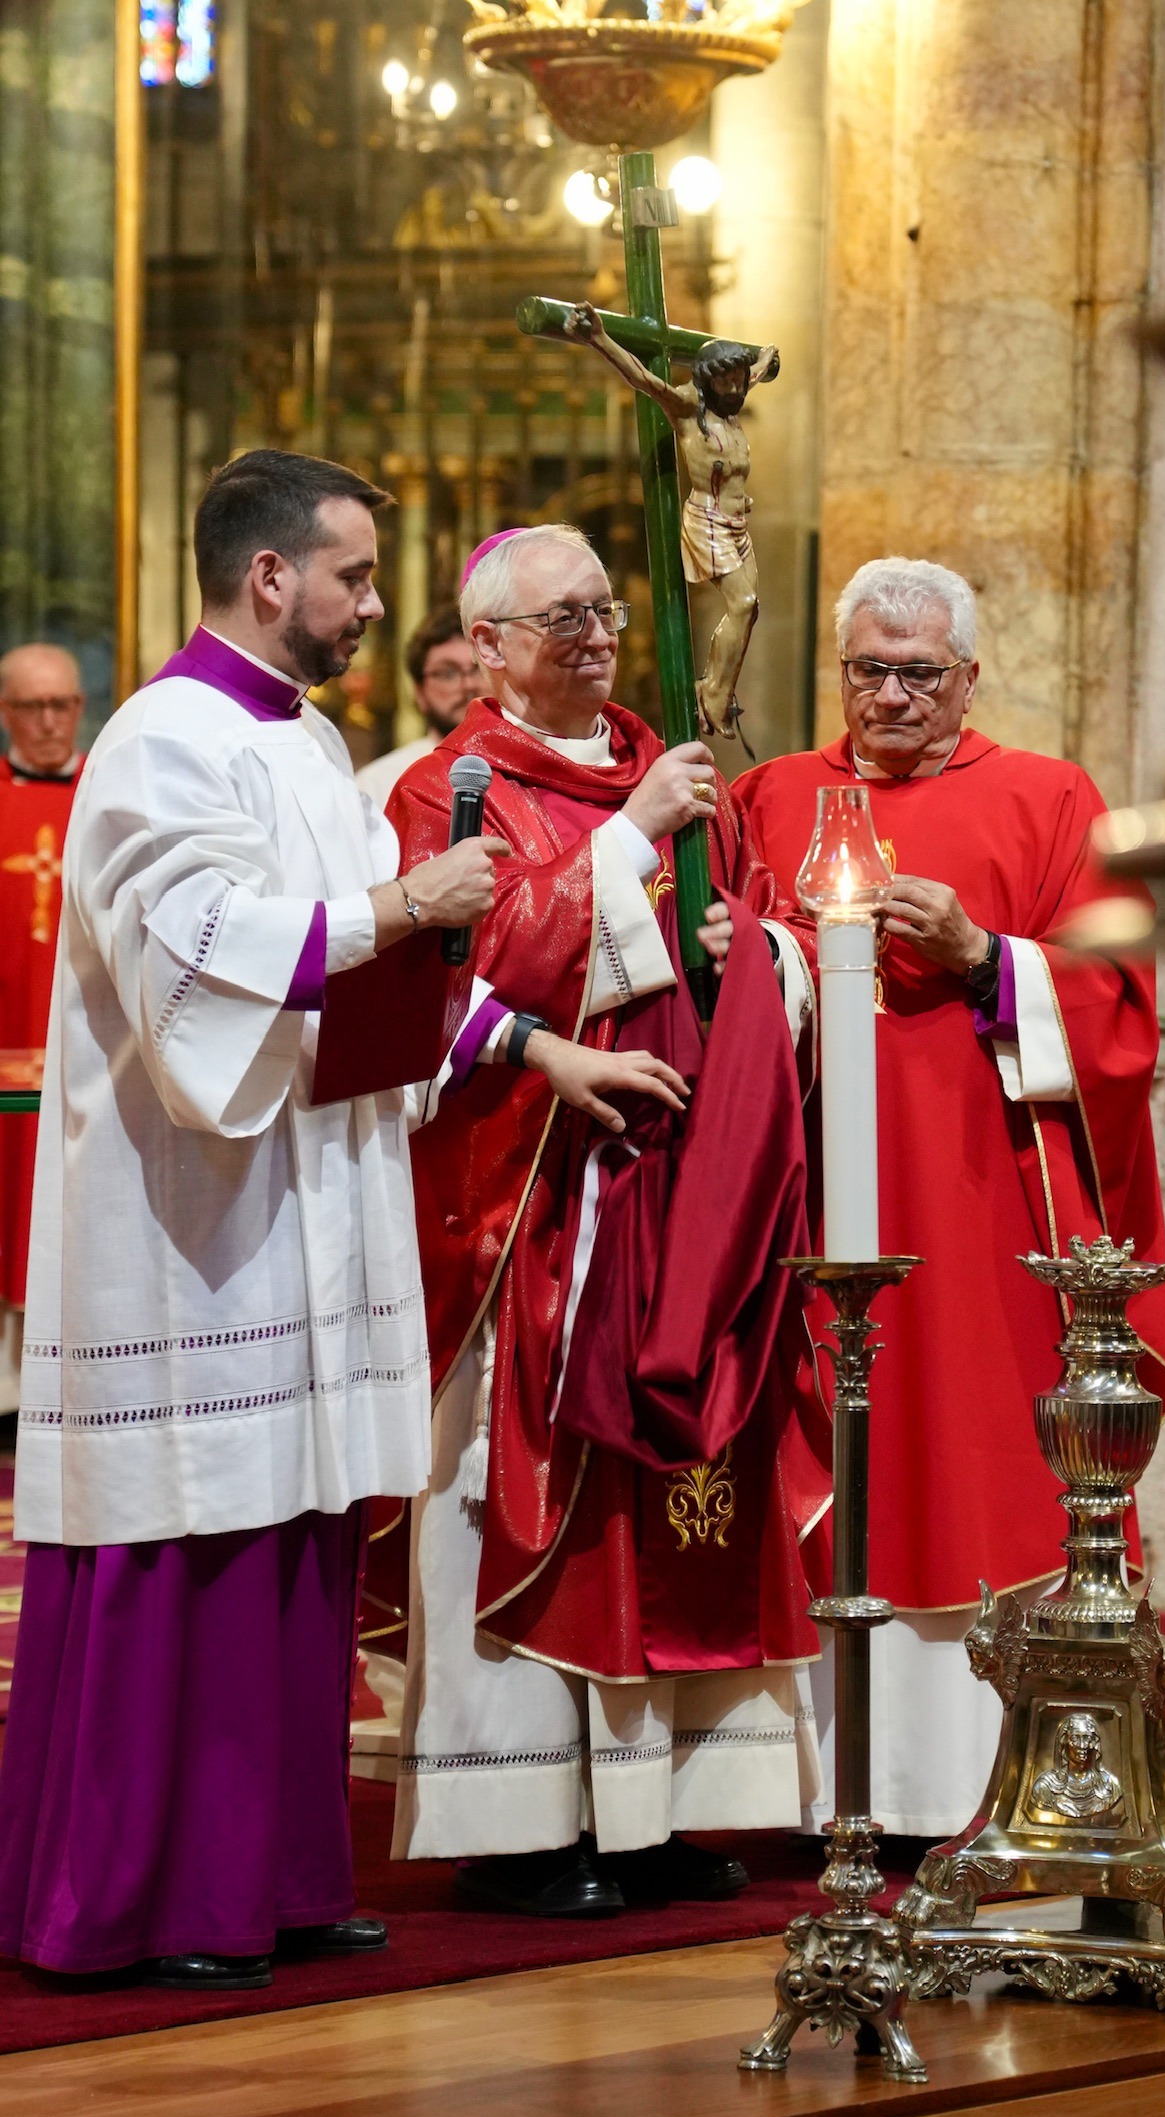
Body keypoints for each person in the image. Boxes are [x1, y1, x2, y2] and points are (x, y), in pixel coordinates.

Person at [0, 453, 684, 1986]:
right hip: (193, 1235)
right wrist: (401, 909)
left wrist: (519, 1038)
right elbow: (198, 957)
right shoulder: (163, 738)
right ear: (269, 577)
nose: (377, 606)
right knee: (192, 1552)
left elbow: (395, 973)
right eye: (356, 576)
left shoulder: (308, 742)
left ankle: (277, 1880)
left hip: (305, 1212)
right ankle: (151, 1900)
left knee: (294, 1550)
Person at [386, 521, 828, 1918]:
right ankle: (524, 1821)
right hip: (531, 1202)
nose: (596, 635)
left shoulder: (685, 779)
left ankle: (659, 1811)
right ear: (488, 646)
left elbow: (772, 941)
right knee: (529, 1503)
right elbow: (449, 982)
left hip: (682, 1197)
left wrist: (752, 955)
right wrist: (630, 847)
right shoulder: (449, 787)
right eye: (561, 617)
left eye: (606, 610)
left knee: (680, 1499)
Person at [735, 555, 1165, 1841]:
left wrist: (986, 957)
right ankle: (816, 1794)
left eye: (919, 674)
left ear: (969, 677)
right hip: (815, 1198)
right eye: (867, 671)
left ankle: (983, 1785)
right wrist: (775, 958)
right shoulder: (775, 798)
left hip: (983, 1204)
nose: (890, 697)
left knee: (975, 1466)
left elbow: (1121, 1009)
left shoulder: (1051, 801)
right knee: (825, 1452)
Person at [567, 308, 778, 739]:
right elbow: (645, 380)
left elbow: (753, 375)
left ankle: (717, 687)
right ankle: (714, 694)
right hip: (709, 522)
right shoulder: (687, 409)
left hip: (738, 524)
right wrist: (600, 338)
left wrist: (764, 359)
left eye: (739, 380)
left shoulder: (731, 406)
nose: (736, 387)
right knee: (741, 603)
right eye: (726, 380)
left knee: (750, 608)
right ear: (707, 380)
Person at [0, 645, 87, 1316]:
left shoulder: (108, 798)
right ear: (6, 712)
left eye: (62, 704)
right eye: (34, 707)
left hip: (83, 1060)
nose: (51, 722)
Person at [355, 603, 487, 809]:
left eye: (478, 668)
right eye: (448, 673)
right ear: (419, 692)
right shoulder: (379, 783)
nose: (468, 684)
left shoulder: (527, 772)